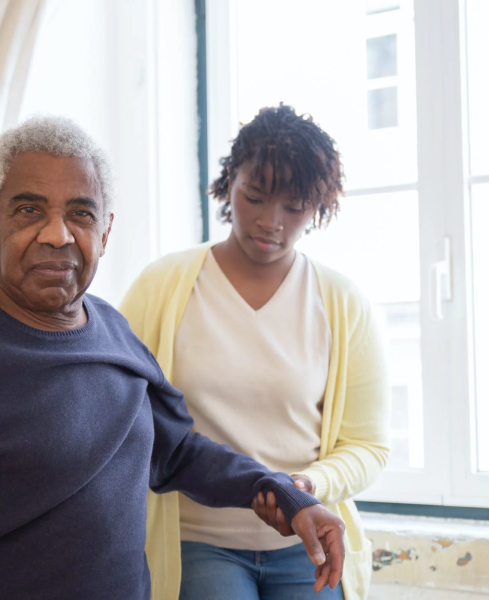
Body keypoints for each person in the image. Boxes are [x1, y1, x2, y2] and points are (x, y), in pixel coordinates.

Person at [0, 115, 346, 600]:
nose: (57, 234)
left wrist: (283, 493)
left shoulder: (113, 332)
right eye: (29, 210)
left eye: (81, 214)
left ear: (105, 232)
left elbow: (177, 452)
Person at [120, 104, 391, 600]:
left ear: (320, 205)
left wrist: (306, 486)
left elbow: (368, 446)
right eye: (255, 197)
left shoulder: (343, 303)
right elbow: (122, 413)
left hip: (308, 538)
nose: (271, 222)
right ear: (230, 183)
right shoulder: (161, 287)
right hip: (197, 539)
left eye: (294, 208)